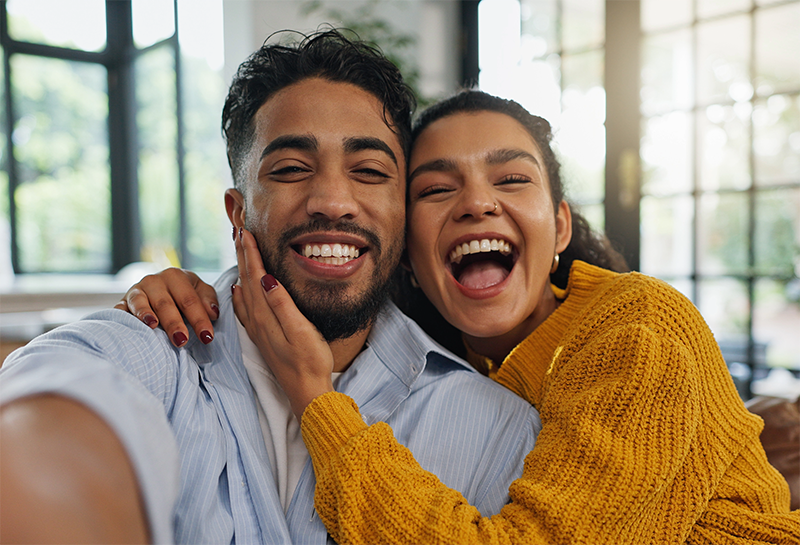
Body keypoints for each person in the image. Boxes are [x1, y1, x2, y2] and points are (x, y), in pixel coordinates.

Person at [125, 90, 800, 543]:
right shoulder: (445, 362)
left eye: (511, 179)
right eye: (439, 188)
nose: (478, 203)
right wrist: (192, 291)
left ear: (560, 226)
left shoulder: (638, 325)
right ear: (406, 249)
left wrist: (316, 399)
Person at [0, 33, 541, 545]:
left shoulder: (498, 428)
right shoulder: (161, 351)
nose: (332, 199)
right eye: (289, 168)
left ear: (402, 212)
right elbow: (56, 398)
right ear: (238, 215)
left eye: (370, 171)